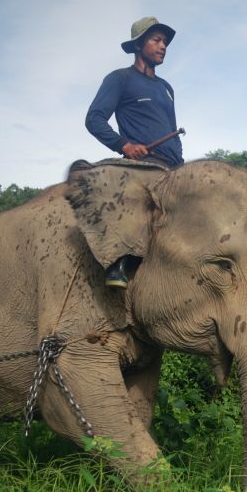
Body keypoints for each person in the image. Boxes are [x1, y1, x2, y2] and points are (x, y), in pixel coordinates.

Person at [85, 16, 184, 288]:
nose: (163, 46)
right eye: (156, 40)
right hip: (143, 165)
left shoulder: (167, 88)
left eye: (165, 42)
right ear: (139, 45)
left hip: (173, 167)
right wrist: (124, 146)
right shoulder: (119, 79)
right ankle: (117, 263)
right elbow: (94, 119)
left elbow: (171, 127)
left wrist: (180, 162)